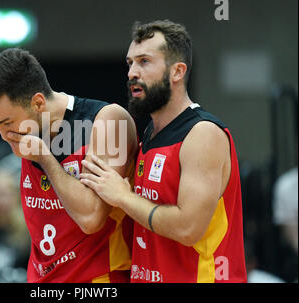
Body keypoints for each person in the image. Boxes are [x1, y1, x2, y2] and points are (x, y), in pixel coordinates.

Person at [80, 20, 247, 283]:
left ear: (177, 71)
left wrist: (123, 197)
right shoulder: (149, 135)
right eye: (130, 63)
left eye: (145, 61)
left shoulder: (203, 133)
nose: (132, 72)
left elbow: (188, 227)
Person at [0, 48, 138, 282]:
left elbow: (91, 219)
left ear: (38, 103)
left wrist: (45, 157)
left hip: (99, 280)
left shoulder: (108, 120)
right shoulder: (31, 132)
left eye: (8, 123)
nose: (4, 136)